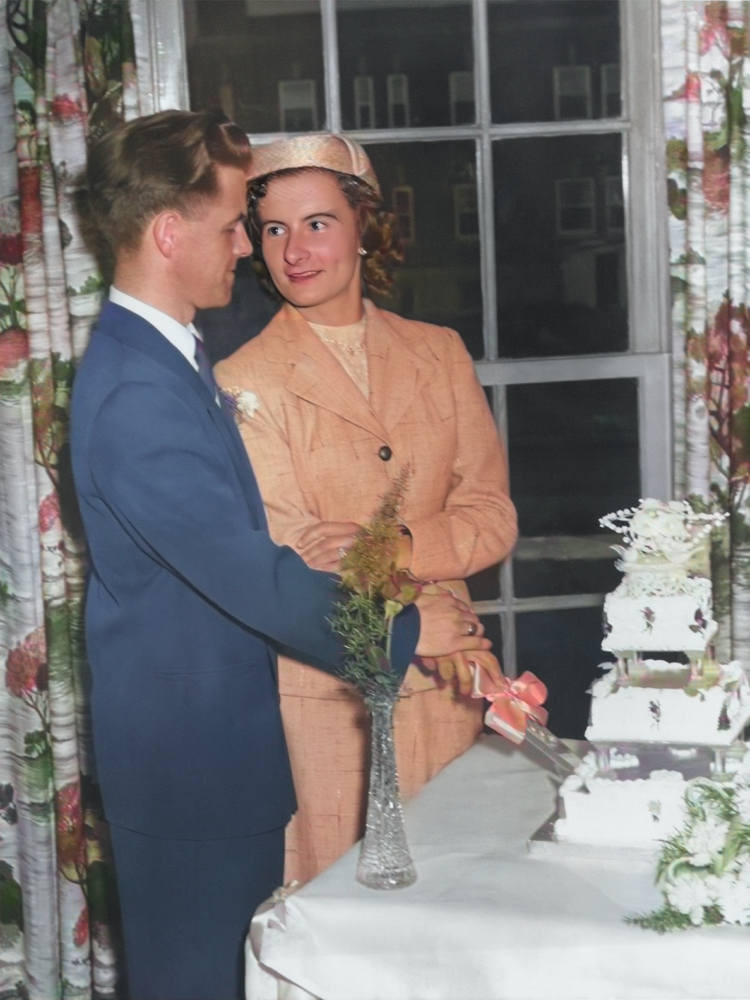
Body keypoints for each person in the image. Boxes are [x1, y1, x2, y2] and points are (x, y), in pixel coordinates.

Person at [70, 111, 490, 1000]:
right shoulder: (140, 395)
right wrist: (411, 627)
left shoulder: (167, 362)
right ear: (169, 233)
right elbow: (253, 575)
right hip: (193, 770)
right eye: (237, 227)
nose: (250, 251)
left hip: (218, 759)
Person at [215, 134, 518, 885]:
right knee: (344, 916)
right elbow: (290, 553)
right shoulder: (243, 378)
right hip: (331, 698)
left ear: (364, 227)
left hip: (453, 681)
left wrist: (396, 548)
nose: (294, 250)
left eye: (317, 222)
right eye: (274, 229)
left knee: (461, 909)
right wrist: (406, 611)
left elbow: (492, 515)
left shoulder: (439, 351)